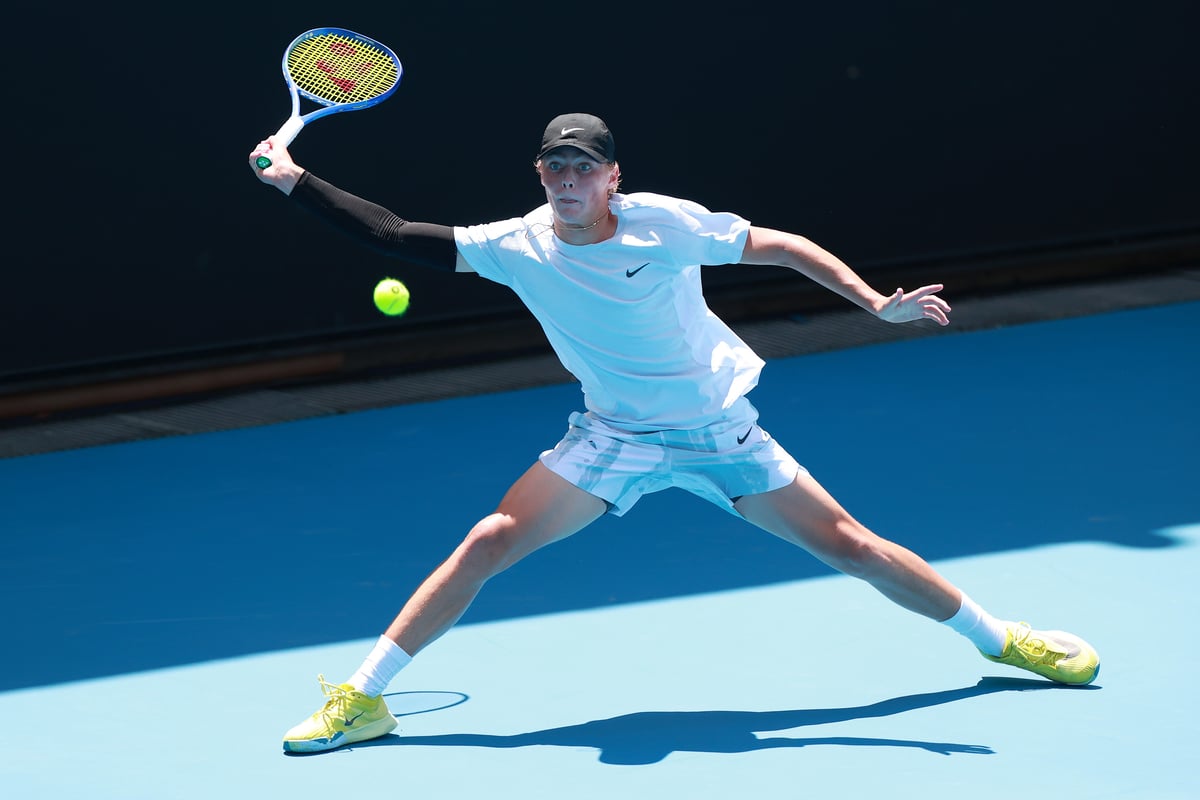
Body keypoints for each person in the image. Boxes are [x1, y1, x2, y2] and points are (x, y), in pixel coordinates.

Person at [249, 113, 1099, 754]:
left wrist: (875, 302)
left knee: (855, 547)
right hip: (613, 435)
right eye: (555, 166)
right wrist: (293, 180)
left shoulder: (668, 222)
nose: (568, 180)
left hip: (718, 430)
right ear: (542, 175)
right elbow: (394, 235)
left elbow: (785, 246)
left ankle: (1004, 640)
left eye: (583, 167)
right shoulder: (516, 245)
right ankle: (364, 698)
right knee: (488, 541)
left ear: (613, 176)